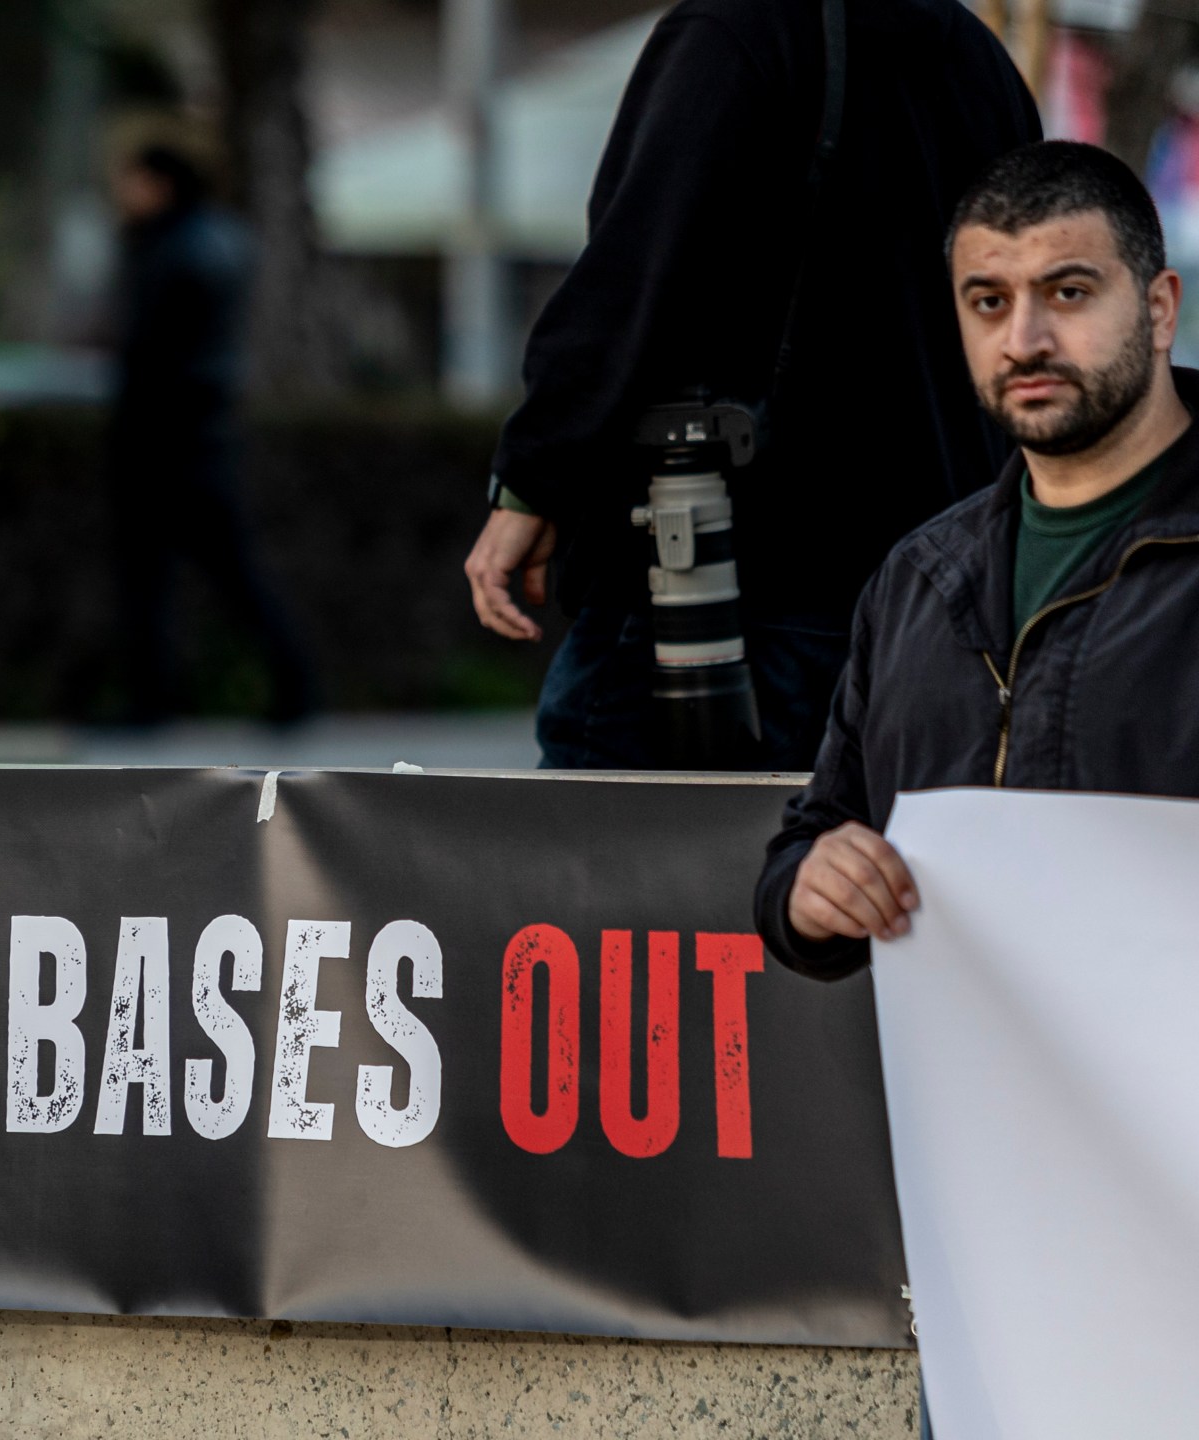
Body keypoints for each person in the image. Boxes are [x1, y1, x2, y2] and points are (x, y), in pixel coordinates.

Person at [757, 137, 1194, 1440]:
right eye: (988, 301)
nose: (1026, 338)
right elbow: (811, 839)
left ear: (1159, 306)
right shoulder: (918, 580)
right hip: (998, 1250)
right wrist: (810, 888)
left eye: (1069, 291)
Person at [463, 0, 1041, 770]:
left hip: (714, 587)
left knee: (613, 840)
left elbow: (636, 279)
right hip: (928, 600)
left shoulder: (737, 30)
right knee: (840, 847)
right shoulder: (977, 61)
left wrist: (532, 483)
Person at [105, 143, 315, 725]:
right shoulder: (220, 239)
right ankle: (292, 683)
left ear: (160, 184)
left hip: (164, 435)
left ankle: (154, 700)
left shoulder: (171, 249)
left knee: (156, 576)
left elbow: (151, 349)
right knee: (228, 572)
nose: (123, 194)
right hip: (202, 434)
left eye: (133, 181)